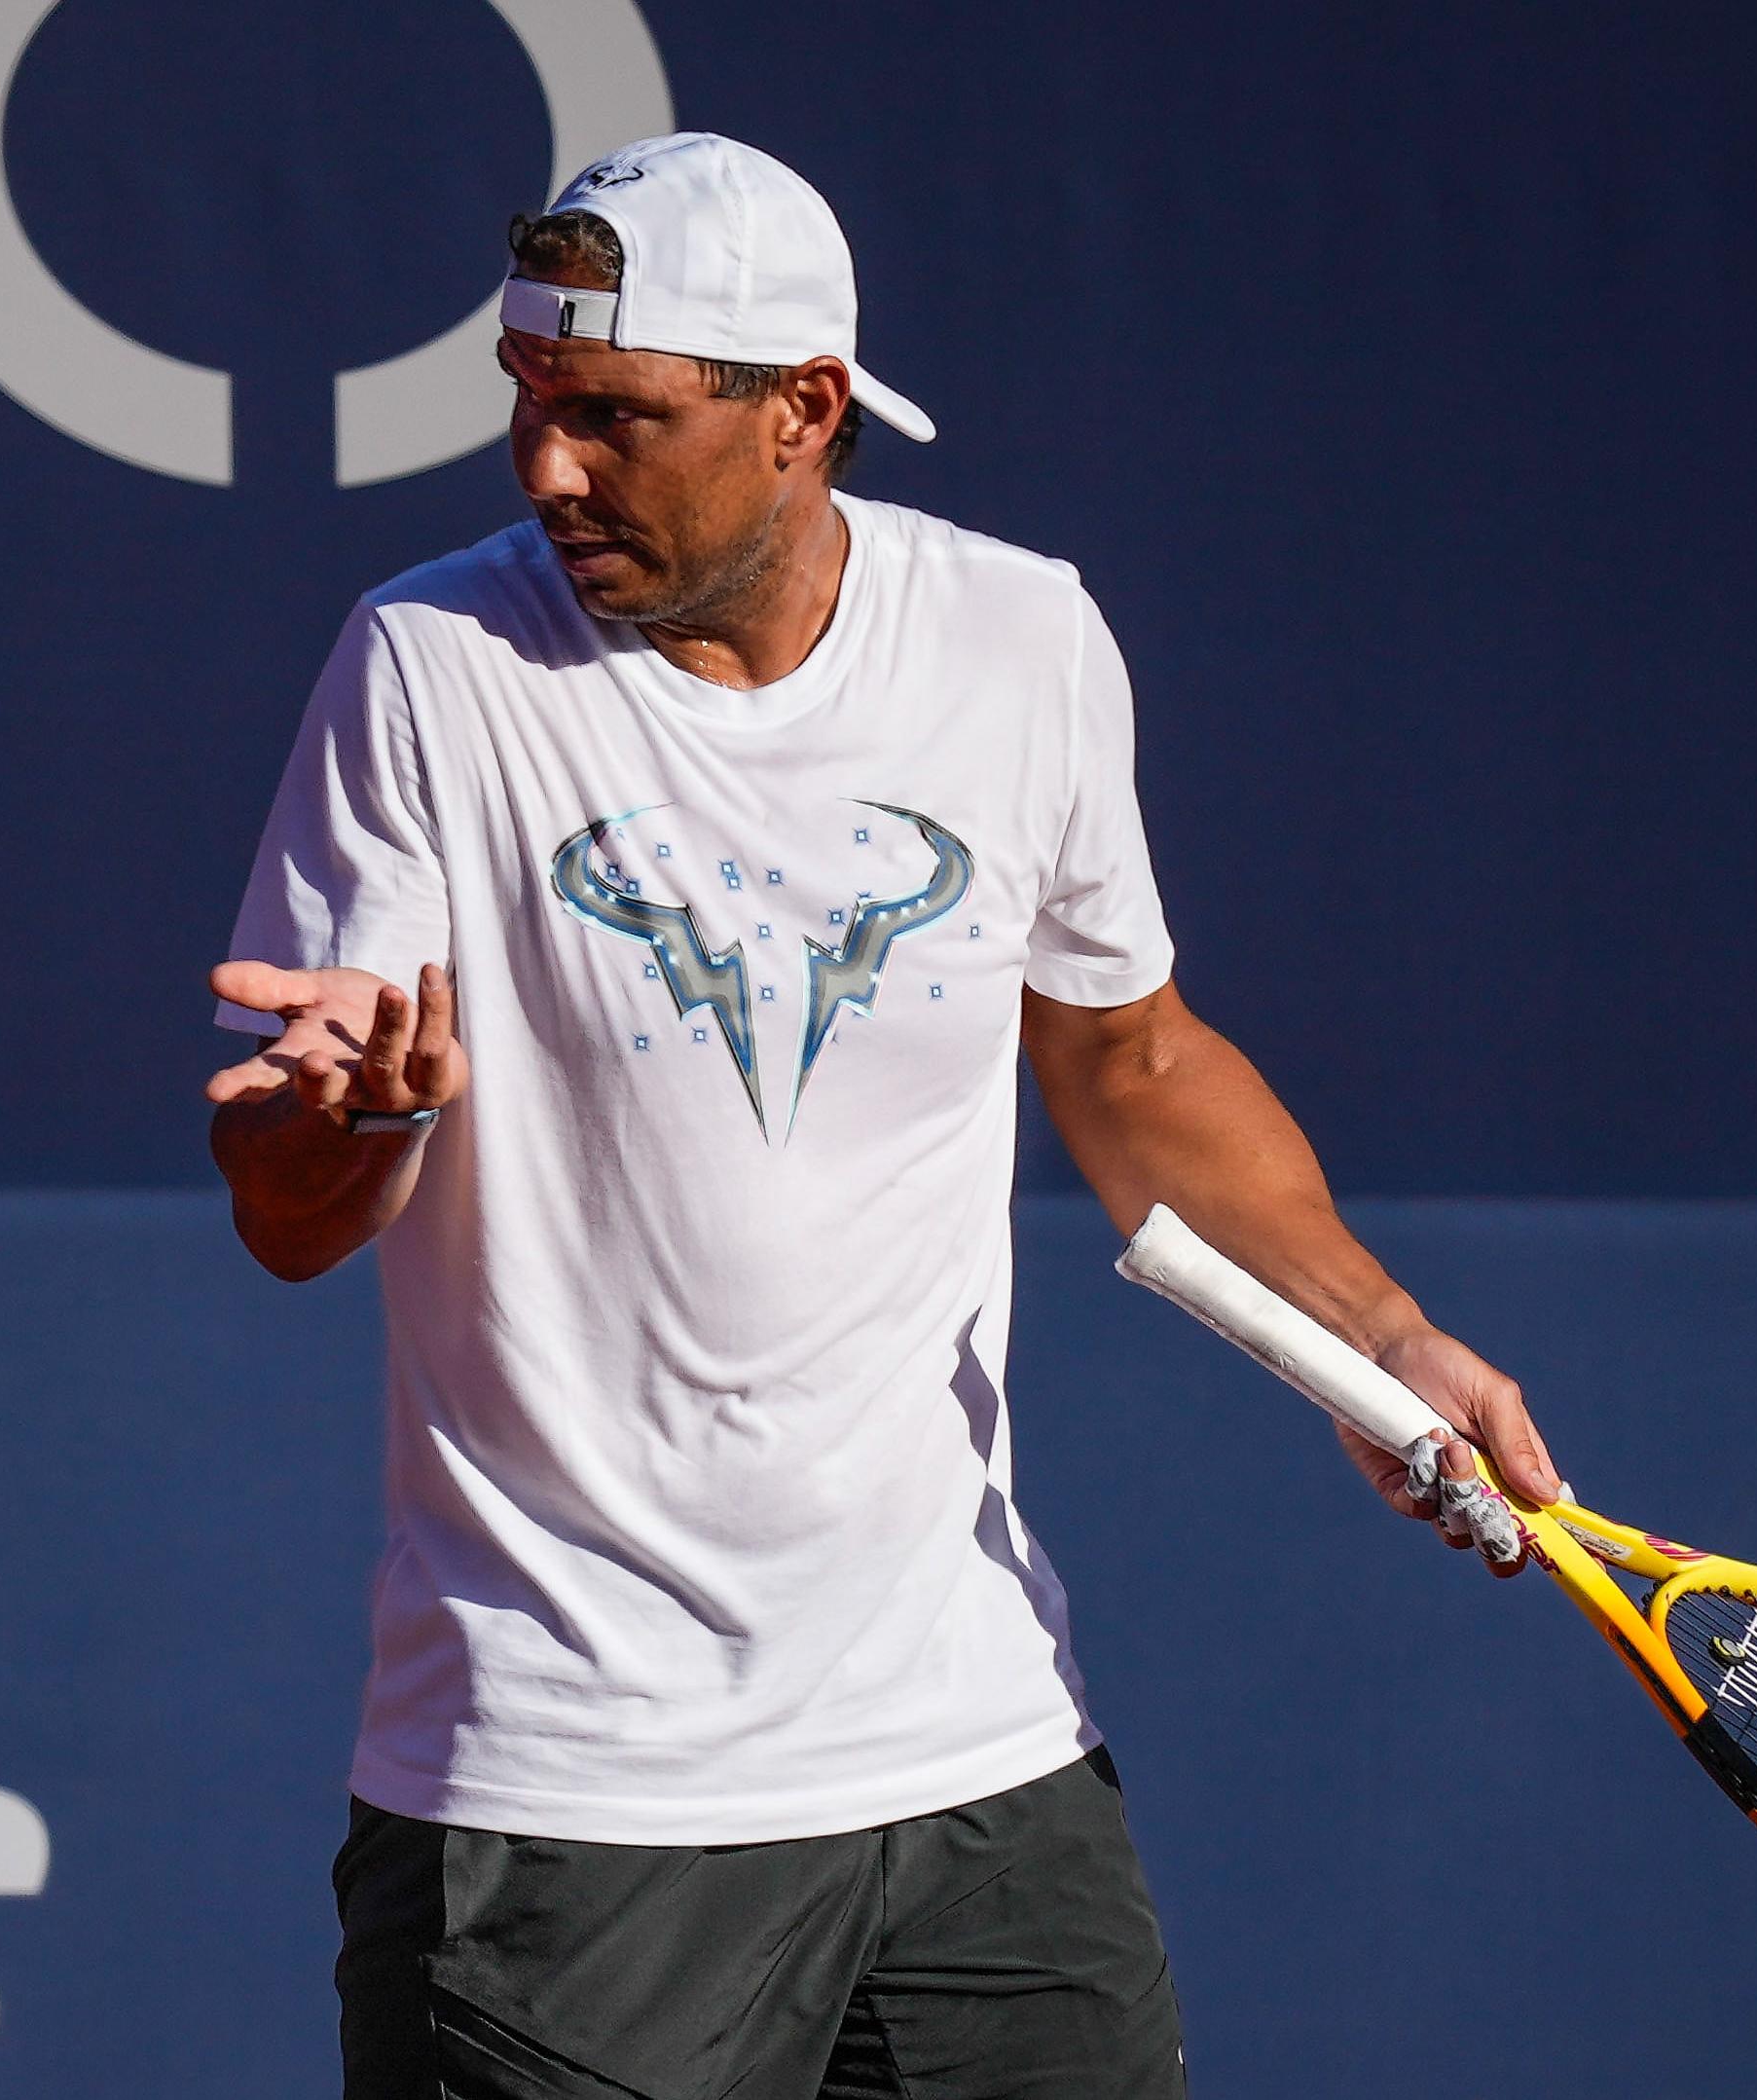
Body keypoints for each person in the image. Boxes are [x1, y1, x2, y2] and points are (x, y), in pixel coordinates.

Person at [204, 132, 1561, 2100]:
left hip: (978, 1769)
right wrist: (356, 1120)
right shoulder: (429, 668)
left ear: (800, 415)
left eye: (614, 417)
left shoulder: (1022, 640)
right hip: (570, 1803)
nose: (548, 469)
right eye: (527, 407)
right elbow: (291, 1211)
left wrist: (1382, 1341)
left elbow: (1131, 1064)